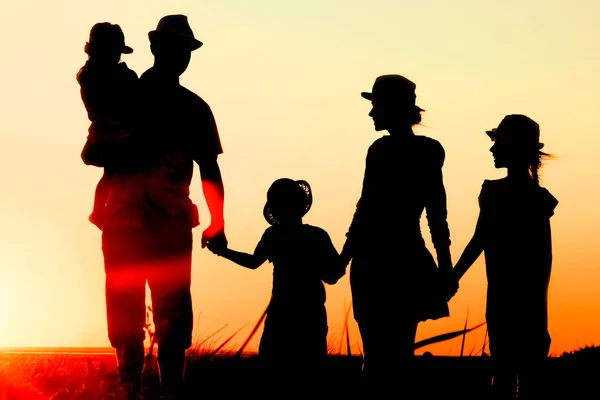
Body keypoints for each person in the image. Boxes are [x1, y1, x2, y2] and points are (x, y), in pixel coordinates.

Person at [89, 15, 228, 400]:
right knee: (127, 309)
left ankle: (167, 391)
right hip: (126, 219)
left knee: (170, 311)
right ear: (154, 47)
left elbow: (210, 168)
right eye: (173, 48)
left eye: (184, 50)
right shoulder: (125, 94)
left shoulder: (191, 107)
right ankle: (135, 389)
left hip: (159, 220)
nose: (179, 56)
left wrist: (218, 220)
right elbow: (98, 145)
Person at [339, 74, 456, 394]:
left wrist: (343, 258)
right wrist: (445, 268)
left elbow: (366, 210)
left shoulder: (382, 150)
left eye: (375, 105)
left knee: (377, 358)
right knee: (396, 355)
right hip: (405, 258)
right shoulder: (428, 151)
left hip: (376, 262)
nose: (371, 113)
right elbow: (436, 215)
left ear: (391, 107)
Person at [451, 114, 558, 400]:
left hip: (510, 300)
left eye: (498, 143)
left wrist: (452, 277)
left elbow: (480, 240)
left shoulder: (502, 194)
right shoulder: (535, 198)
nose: (492, 149)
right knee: (523, 376)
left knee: (508, 377)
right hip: (524, 301)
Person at [208, 178, 346, 394]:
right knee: (311, 376)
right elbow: (334, 275)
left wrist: (222, 251)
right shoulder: (317, 236)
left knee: (273, 377)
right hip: (311, 315)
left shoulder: (273, 236)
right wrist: (344, 258)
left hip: (281, 315)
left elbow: (253, 262)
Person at [76, 22, 138, 229]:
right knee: (114, 172)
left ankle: (98, 211)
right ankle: (98, 211)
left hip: (103, 131)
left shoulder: (90, 73)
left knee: (110, 174)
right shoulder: (98, 76)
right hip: (110, 131)